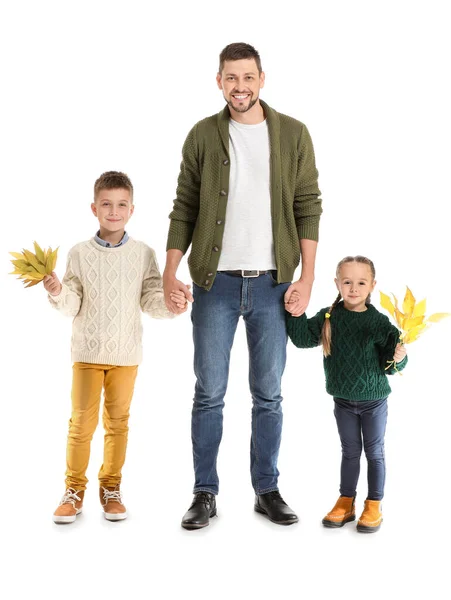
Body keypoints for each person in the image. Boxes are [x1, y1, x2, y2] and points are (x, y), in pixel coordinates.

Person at [164, 42, 323, 529]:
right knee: (209, 391)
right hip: (215, 285)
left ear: (261, 79)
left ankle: (266, 489)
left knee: (269, 393)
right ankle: (204, 493)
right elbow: (184, 206)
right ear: (219, 82)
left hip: (275, 285)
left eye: (247, 77)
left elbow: (308, 204)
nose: (240, 87)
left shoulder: (293, 134)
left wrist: (307, 278)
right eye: (231, 78)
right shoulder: (203, 135)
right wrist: (171, 272)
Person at [44, 171, 187, 524]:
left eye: (121, 204)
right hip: (88, 354)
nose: (113, 210)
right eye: (106, 204)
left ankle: (111, 488)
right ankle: (73, 489)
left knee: (118, 423)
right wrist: (57, 291)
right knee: (81, 424)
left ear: (132, 209)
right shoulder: (79, 253)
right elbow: (72, 302)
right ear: (94, 208)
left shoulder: (143, 254)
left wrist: (172, 304)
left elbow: (151, 297)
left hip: (126, 355)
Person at [286, 255, 408, 533]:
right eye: (348, 282)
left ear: (372, 285)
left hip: (373, 402)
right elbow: (303, 338)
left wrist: (399, 357)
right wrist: (294, 312)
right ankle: (346, 500)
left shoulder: (378, 322)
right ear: (337, 284)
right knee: (350, 451)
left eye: (361, 282)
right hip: (342, 401)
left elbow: (392, 365)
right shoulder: (330, 316)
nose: (354, 288)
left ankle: (374, 504)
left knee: (374, 452)